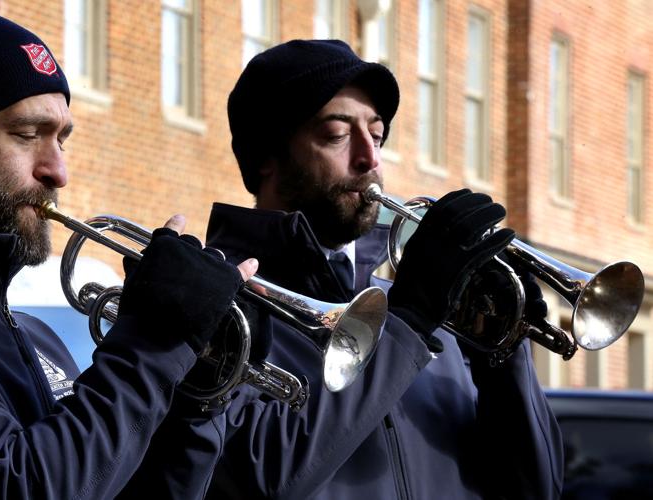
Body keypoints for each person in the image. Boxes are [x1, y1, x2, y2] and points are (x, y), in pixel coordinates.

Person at [0, 9, 257, 499]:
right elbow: (22, 488)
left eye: (62, 139)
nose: (58, 172)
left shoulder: (34, 335)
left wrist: (188, 400)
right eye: (28, 134)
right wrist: (155, 343)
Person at [198, 39, 564, 499]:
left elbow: (537, 488)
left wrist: (504, 359)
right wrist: (408, 319)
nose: (370, 159)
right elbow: (262, 478)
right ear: (267, 158)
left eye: (377, 134)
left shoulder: (425, 310)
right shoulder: (218, 306)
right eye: (336, 134)